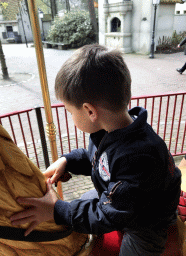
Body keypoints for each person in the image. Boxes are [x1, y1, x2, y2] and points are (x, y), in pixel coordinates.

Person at [10, 44, 181, 255]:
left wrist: (56, 211)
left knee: (136, 248)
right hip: (121, 197)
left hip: (146, 221)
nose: (71, 118)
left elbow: (109, 215)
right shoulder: (110, 129)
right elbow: (97, 159)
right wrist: (68, 161)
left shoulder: (138, 156)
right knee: (82, 201)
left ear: (90, 110)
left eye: (70, 112)